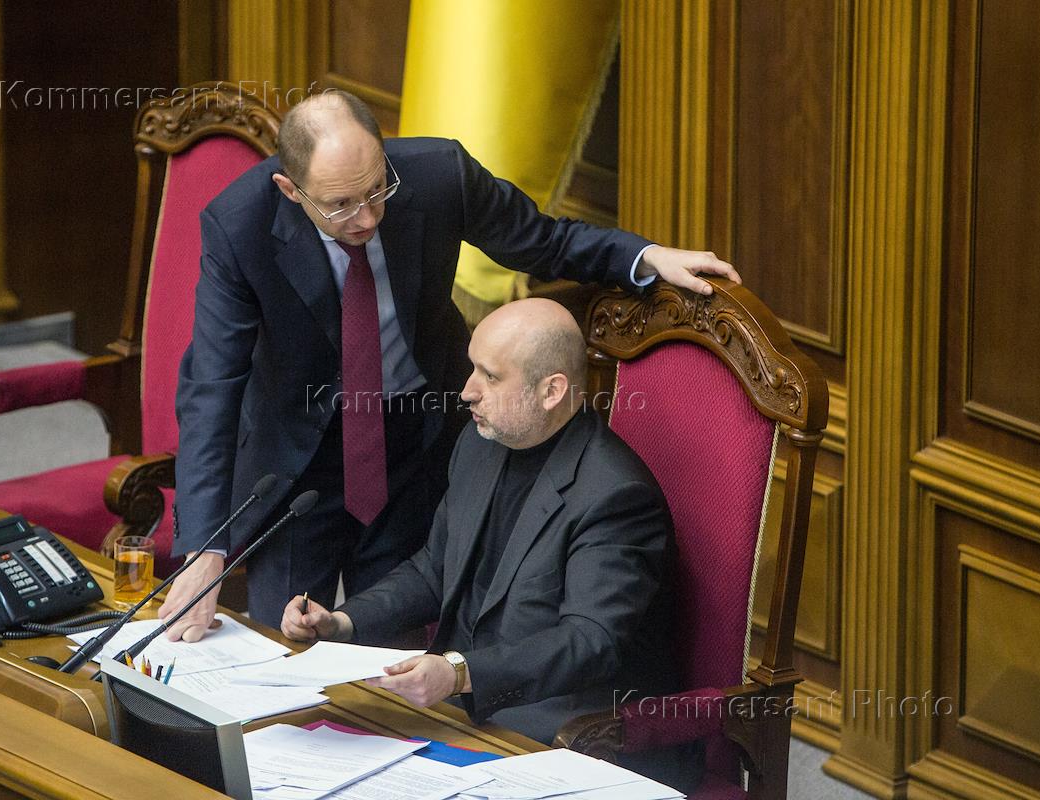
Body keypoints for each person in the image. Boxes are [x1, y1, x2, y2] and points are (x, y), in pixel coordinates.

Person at [161, 89, 738, 641]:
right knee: (280, 647)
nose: (366, 217)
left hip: (416, 438)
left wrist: (646, 256)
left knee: (388, 649)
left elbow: (544, 242)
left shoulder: (440, 175)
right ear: (291, 190)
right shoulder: (239, 226)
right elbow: (212, 385)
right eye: (339, 205)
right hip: (297, 460)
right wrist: (206, 548)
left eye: (376, 189)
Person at [280, 298, 676, 748]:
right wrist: (342, 622)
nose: (467, 390)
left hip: (559, 732)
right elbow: (434, 569)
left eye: (490, 376)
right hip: (459, 711)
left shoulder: (615, 494)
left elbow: (589, 641)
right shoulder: (480, 442)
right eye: (472, 368)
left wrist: (460, 673)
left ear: (551, 391)